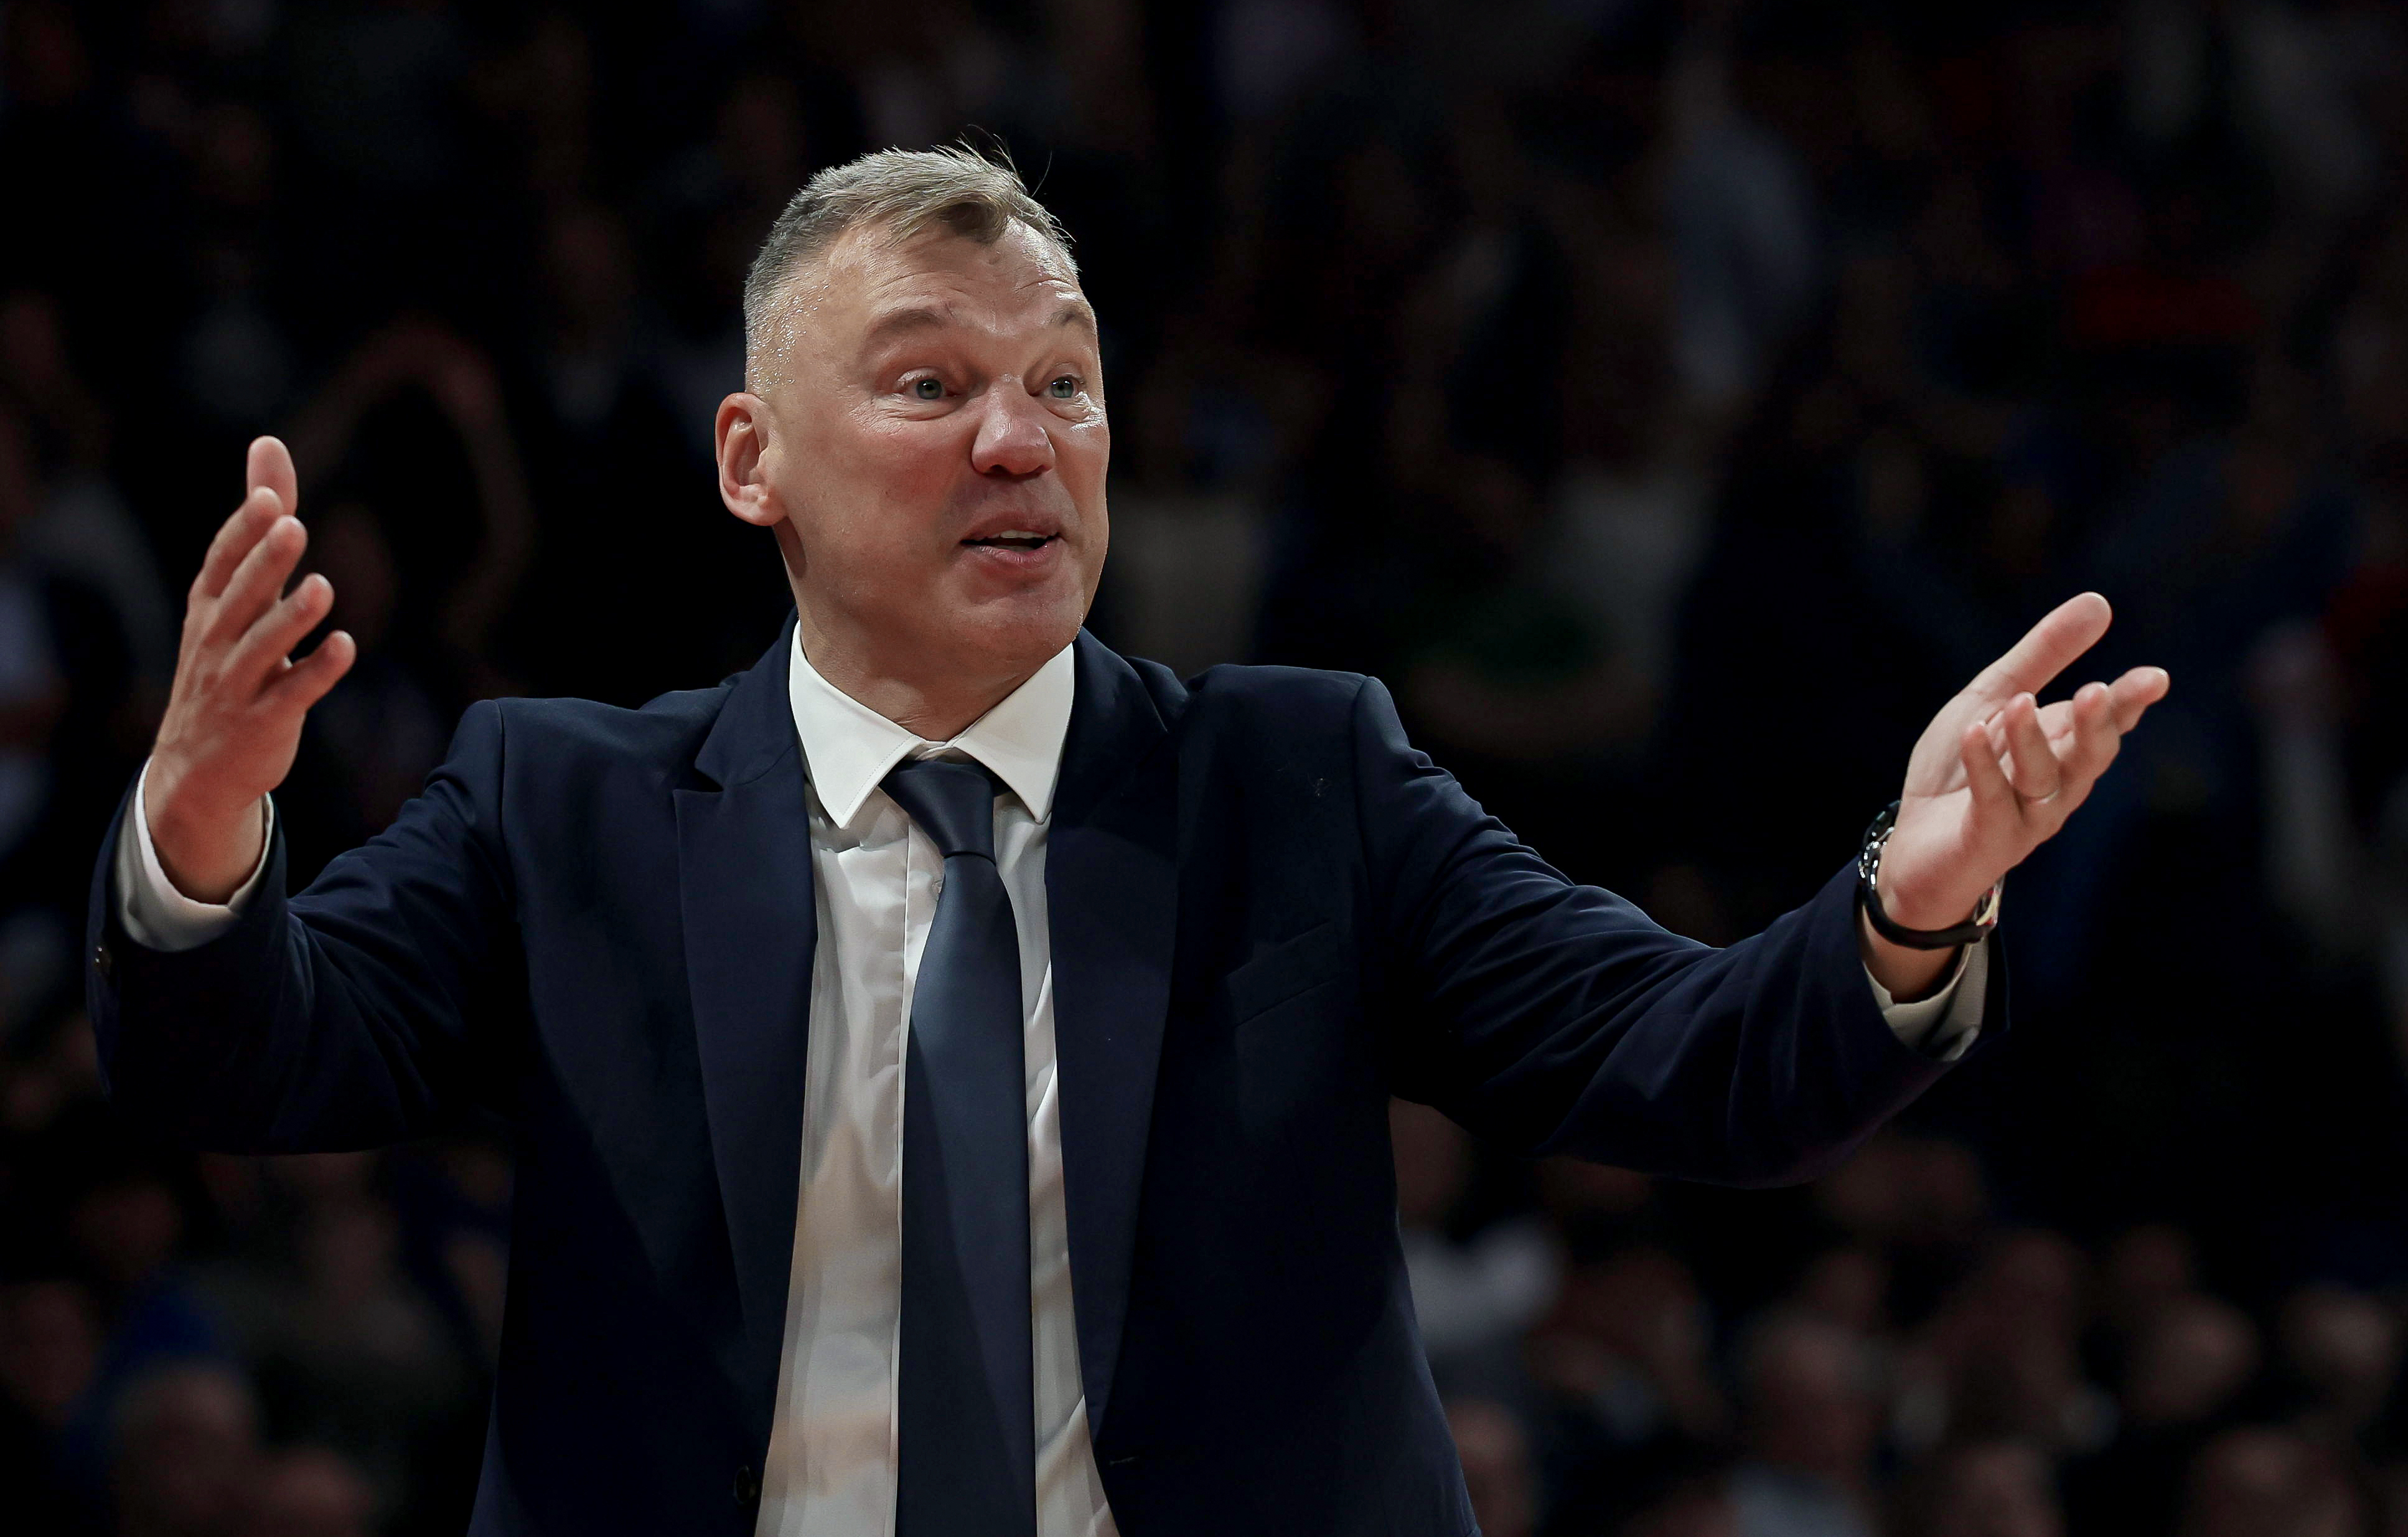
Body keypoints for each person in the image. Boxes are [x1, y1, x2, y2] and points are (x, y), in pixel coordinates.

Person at [87, 148, 2168, 1536]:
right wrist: (198, 828)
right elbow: (245, 1063)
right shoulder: (563, 805)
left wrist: (1912, 893)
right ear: (753, 460)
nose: (1023, 439)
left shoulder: (1297, 781)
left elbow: (1698, 1063)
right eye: (932, 383)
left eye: (1064, 385)